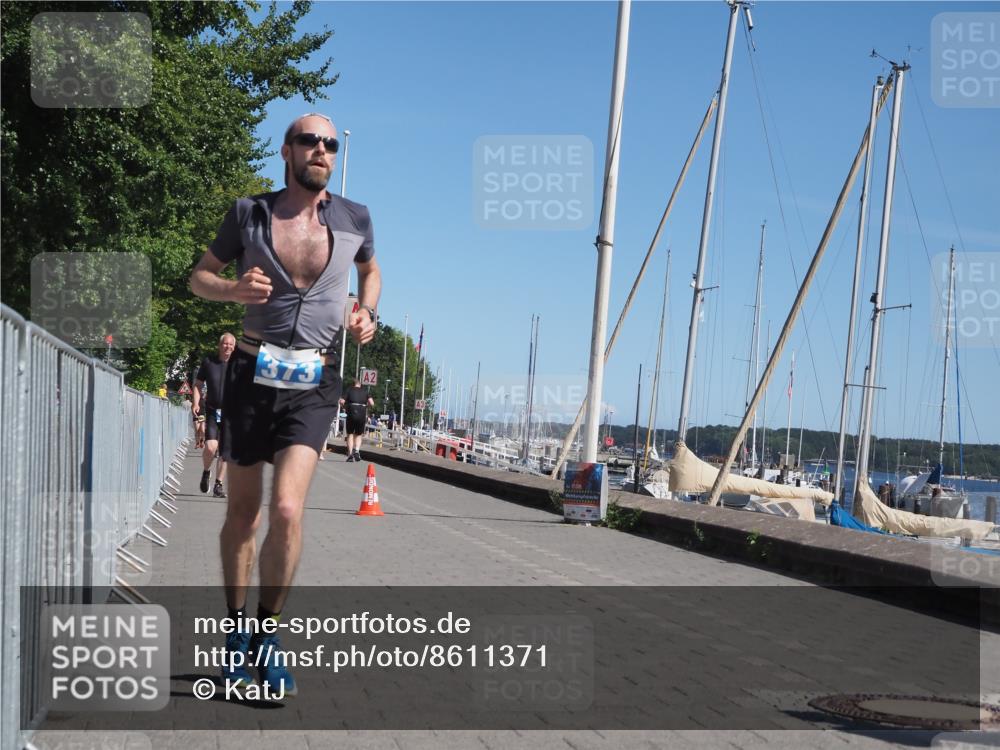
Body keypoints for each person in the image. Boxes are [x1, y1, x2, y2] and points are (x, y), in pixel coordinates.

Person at [189, 113, 381, 696]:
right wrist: (232, 289)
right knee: (243, 514)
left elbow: (371, 270)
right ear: (287, 151)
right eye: (310, 141)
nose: (322, 150)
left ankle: (267, 639)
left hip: (315, 379)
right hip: (250, 372)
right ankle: (233, 632)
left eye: (329, 143)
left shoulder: (354, 217)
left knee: (289, 512)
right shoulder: (249, 213)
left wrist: (367, 311)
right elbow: (198, 277)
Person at [193, 333, 236, 498]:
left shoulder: (238, 365)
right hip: (212, 410)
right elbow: (198, 385)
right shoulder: (209, 362)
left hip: (231, 414)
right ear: (220, 345)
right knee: (211, 447)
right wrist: (196, 403)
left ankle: (218, 485)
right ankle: (206, 471)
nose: (228, 347)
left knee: (225, 451)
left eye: (231, 345)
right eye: (225, 344)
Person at [340, 379, 375, 462]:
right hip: (362, 413)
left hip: (351, 412)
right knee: (359, 434)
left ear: (353, 384)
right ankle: (357, 450)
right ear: (360, 384)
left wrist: (344, 407)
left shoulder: (349, 390)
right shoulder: (365, 391)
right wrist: (366, 407)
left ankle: (350, 455)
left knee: (350, 434)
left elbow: (342, 401)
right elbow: (372, 403)